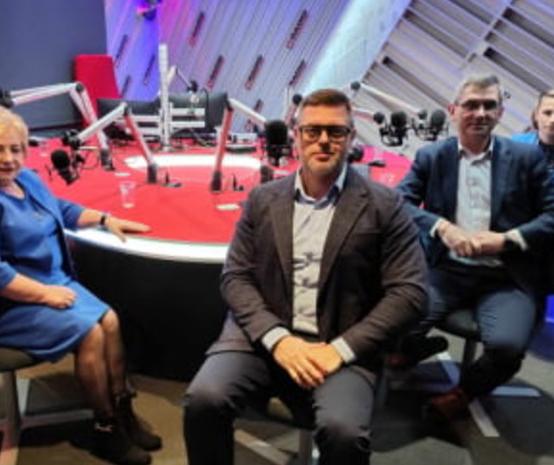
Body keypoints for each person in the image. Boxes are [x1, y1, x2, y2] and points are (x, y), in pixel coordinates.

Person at [183, 89, 428, 465]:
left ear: (351, 137)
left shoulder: (385, 205)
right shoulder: (263, 199)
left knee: (344, 434)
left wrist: (339, 350)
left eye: (336, 131)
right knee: (203, 401)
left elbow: (410, 293)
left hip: (342, 343)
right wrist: (278, 339)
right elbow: (235, 277)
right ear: (296, 136)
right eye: (312, 131)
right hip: (262, 339)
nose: (323, 140)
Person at [0, 106, 159, 465]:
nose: (8, 159)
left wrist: (105, 219)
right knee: (91, 333)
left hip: (51, 283)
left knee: (110, 321)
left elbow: (60, 209)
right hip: (7, 302)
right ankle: (105, 427)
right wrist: (44, 294)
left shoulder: (25, 179)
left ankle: (122, 411)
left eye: (15, 149)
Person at [393, 74, 554, 421]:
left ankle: (464, 392)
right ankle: (416, 347)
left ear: (500, 113)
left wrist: (509, 239)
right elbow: (397, 203)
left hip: (505, 277)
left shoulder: (525, 158)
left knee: (508, 347)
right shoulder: (432, 156)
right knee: (391, 320)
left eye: (489, 106)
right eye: (471, 105)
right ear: (453, 110)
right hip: (445, 270)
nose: (480, 113)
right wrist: (441, 227)